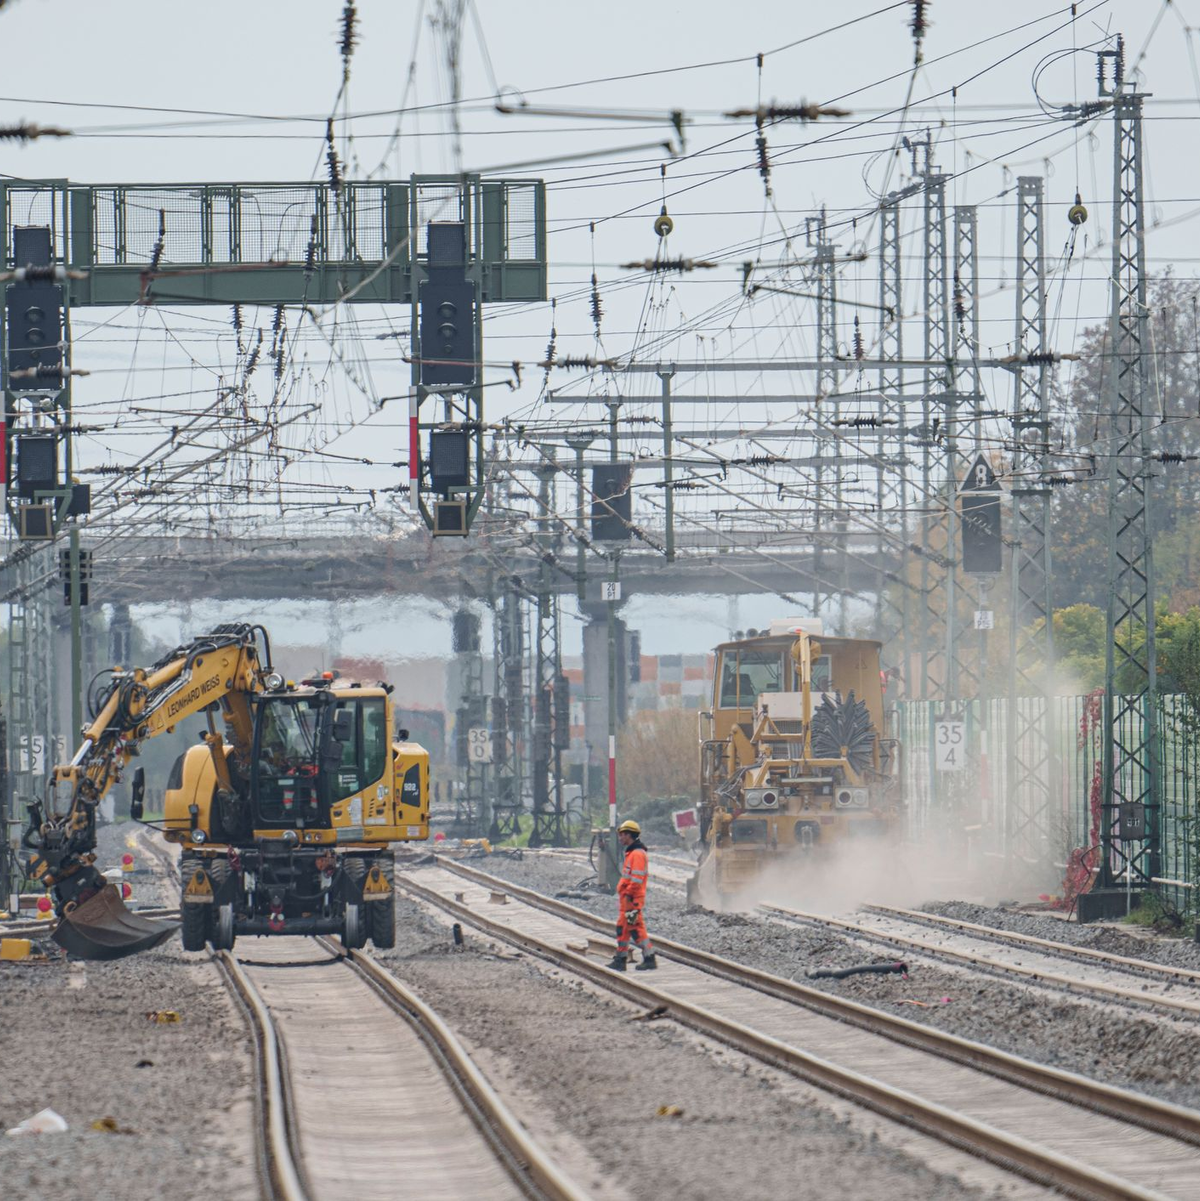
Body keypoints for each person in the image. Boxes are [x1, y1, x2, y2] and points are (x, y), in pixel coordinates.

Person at [606, 819, 657, 972]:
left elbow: (636, 880)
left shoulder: (637, 854)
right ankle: (621, 959)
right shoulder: (633, 853)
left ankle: (649, 957)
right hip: (628, 900)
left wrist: (628, 893)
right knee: (623, 928)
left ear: (629, 835)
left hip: (632, 900)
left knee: (635, 929)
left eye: (622, 835)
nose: (620, 838)